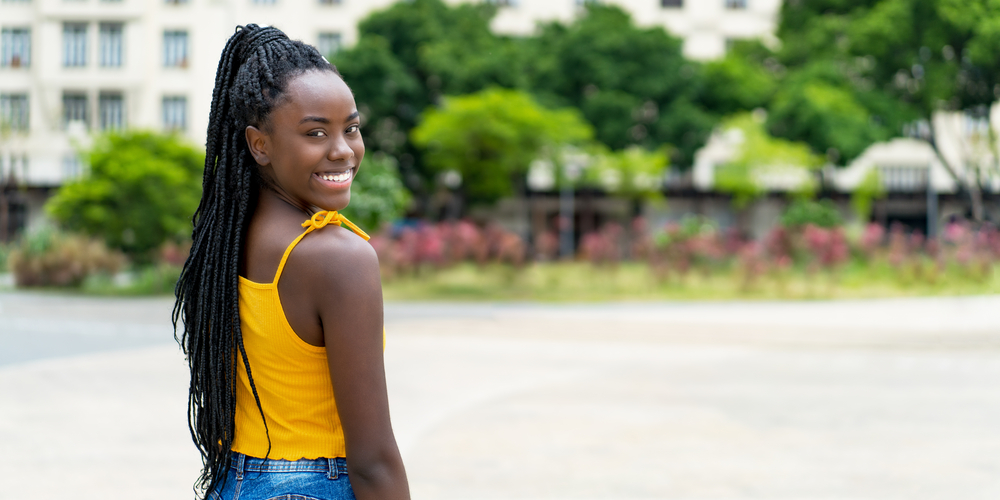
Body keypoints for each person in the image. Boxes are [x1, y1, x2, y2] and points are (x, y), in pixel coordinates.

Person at [173, 24, 409, 500]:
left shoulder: (227, 239)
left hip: (235, 484)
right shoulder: (337, 258)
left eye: (352, 128)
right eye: (315, 132)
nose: (342, 150)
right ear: (259, 144)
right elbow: (373, 460)